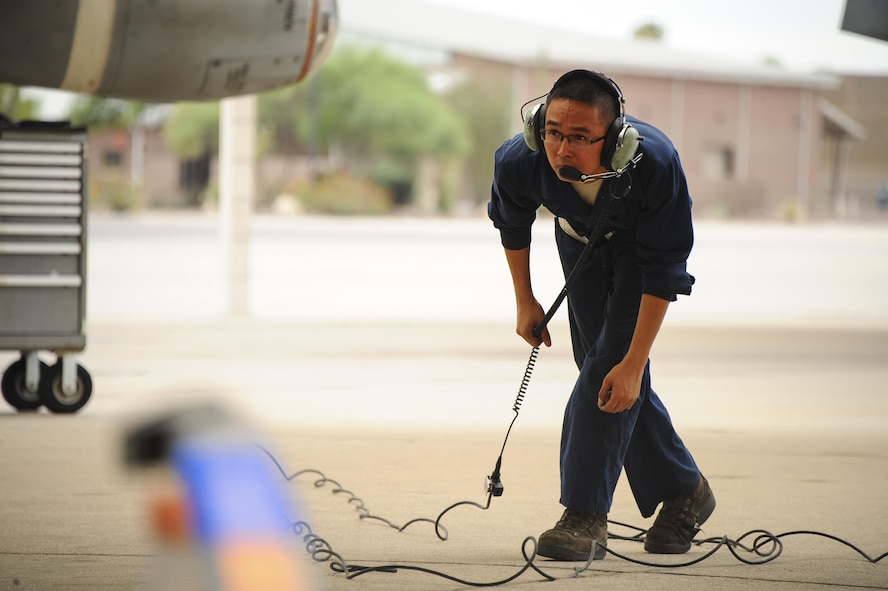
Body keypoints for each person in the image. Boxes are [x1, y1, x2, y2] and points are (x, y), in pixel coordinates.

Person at [487, 69, 715, 561]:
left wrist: (635, 361)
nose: (561, 150)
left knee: (611, 371)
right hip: (578, 241)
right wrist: (525, 300)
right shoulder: (519, 160)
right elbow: (512, 223)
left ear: (614, 140)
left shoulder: (655, 164)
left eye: (579, 138)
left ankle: (585, 516)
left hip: (639, 255)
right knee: (606, 374)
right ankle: (685, 490)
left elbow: (664, 271)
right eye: (552, 132)